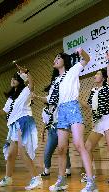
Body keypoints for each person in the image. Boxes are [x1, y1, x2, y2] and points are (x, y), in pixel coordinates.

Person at [45, 48, 98, 192]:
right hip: (61, 111)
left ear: (64, 61)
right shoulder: (55, 80)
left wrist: (82, 52)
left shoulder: (73, 70)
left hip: (73, 107)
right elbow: (50, 99)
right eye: (54, 58)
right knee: (61, 149)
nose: (55, 60)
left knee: (79, 144)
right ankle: (61, 181)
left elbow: (86, 59)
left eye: (58, 57)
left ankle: (91, 183)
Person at [0, 65, 42, 190]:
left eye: (15, 78)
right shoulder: (10, 98)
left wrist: (27, 72)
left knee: (21, 150)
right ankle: (8, 178)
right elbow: (4, 110)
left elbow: (31, 84)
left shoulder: (26, 91)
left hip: (24, 121)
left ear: (20, 80)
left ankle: (36, 178)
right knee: (10, 154)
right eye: (12, 78)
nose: (12, 80)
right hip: (14, 125)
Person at [81, 51, 109, 184]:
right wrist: (75, 99)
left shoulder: (107, 87)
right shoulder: (93, 91)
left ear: (103, 77)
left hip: (107, 120)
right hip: (97, 123)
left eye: (98, 74)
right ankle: (90, 174)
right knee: (87, 147)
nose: (95, 75)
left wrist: (107, 61)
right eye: (96, 73)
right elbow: (88, 106)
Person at [32, 86, 71, 178]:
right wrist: (42, 133)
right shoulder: (44, 110)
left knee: (65, 150)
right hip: (51, 130)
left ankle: (68, 171)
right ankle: (46, 171)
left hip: (61, 127)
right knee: (47, 151)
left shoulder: (59, 103)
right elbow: (45, 123)